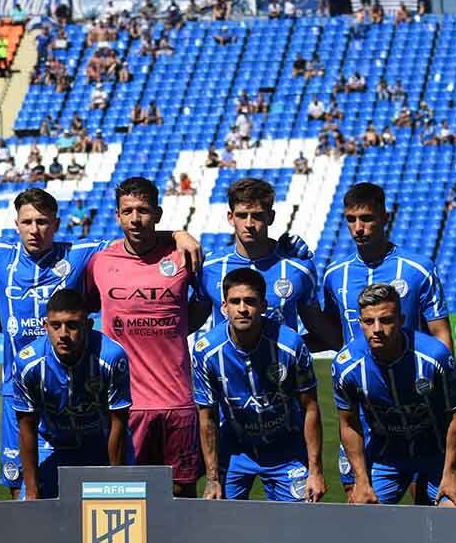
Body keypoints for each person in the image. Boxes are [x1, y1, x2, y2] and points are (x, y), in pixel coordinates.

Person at [0, 188, 202, 499]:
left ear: (56, 224)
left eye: (43, 222)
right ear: (16, 224)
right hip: (18, 393)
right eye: (27, 222)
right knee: (24, 491)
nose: (35, 230)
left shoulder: (81, 253)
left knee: (96, 484)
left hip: (74, 393)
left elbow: (135, 233)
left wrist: (177, 235)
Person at [321, 183, 453, 499]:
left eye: (366, 218)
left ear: (385, 217)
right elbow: (332, 335)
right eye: (351, 219)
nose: (358, 228)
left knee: (424, 501)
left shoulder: (418, 269)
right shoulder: (334, 276)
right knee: (361, 501)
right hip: (361, 409)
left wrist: (441, 393)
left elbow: (441, 335)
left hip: (413, 406)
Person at [84, 177, 211, 497]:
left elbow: (202, 306)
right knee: (127, 495)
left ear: (157, 212)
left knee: (182, 492)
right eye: (128, 211)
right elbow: (83, 309)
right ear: (117, 216)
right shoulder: (99, 261)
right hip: (125, 403)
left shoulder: (183, 257)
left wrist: (176, 328)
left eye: (143, 210)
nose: (135, 218)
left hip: (177, 399)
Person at [333, 284, 456, 507]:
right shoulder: (346, 365)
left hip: (437, 454)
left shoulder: (434, 356)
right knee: (361, 518)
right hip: (385, 457)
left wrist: (451, 471)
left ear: (401, 319)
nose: (377, 329)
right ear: (360, 323)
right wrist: (361, 480)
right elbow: (348, 423)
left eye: (386, 320)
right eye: (369, 321)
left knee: (453, 514)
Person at [192, 268, 325, 502]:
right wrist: (212, 479)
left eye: (250, 301)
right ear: (224, 306)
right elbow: (207, 417)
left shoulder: (290, 344)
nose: (242, 309)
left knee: (298, 526)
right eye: (235, 301)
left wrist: (315, 471)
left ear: (263, 306)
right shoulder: (206, 351)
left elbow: (310, 408)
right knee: (225, 524)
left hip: (286, 449)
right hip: (235, 450)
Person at [12, 289, 132, 500]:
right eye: (56, 326)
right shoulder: (27, 364)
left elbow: (119, 424)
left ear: (88, 325)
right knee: (34, 521)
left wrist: (117, 483)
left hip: (102, 445)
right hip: (52, 445)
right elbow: (26, 428)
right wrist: (32, 491)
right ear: (45, 326)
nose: (63, 334)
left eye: (73, 325)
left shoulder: (112, 357)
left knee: (119, 518)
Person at [197, 178, 338, 349]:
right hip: (228, 374)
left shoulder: (298, 268)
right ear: (230, 217)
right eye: (242, 215)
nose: (249, 224)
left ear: (270, 217)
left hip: (281, 374)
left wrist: (288, 350)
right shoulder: (209, 268)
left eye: (257, 216)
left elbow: (319, 329)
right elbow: (187, 323)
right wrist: (175, 235)